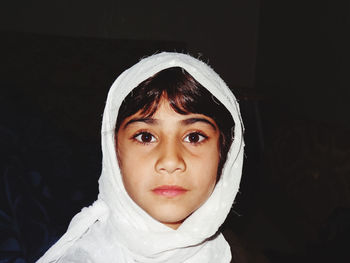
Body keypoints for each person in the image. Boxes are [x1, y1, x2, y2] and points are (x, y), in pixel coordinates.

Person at [37, 52, 245, 262]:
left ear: (225, 151)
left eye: (194, 137)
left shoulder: (237, 253)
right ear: (114, 150)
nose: (170, 161)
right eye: (146, 137)